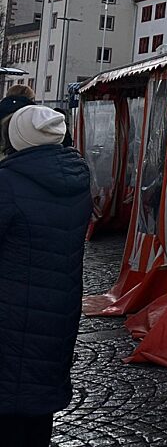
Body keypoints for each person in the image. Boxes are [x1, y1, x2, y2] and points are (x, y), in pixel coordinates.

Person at [0, 105, 92, 446]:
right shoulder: (77, 180)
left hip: (11, 311)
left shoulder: (8, 182)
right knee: (39, 396)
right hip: (58, 308)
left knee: (9, 398)